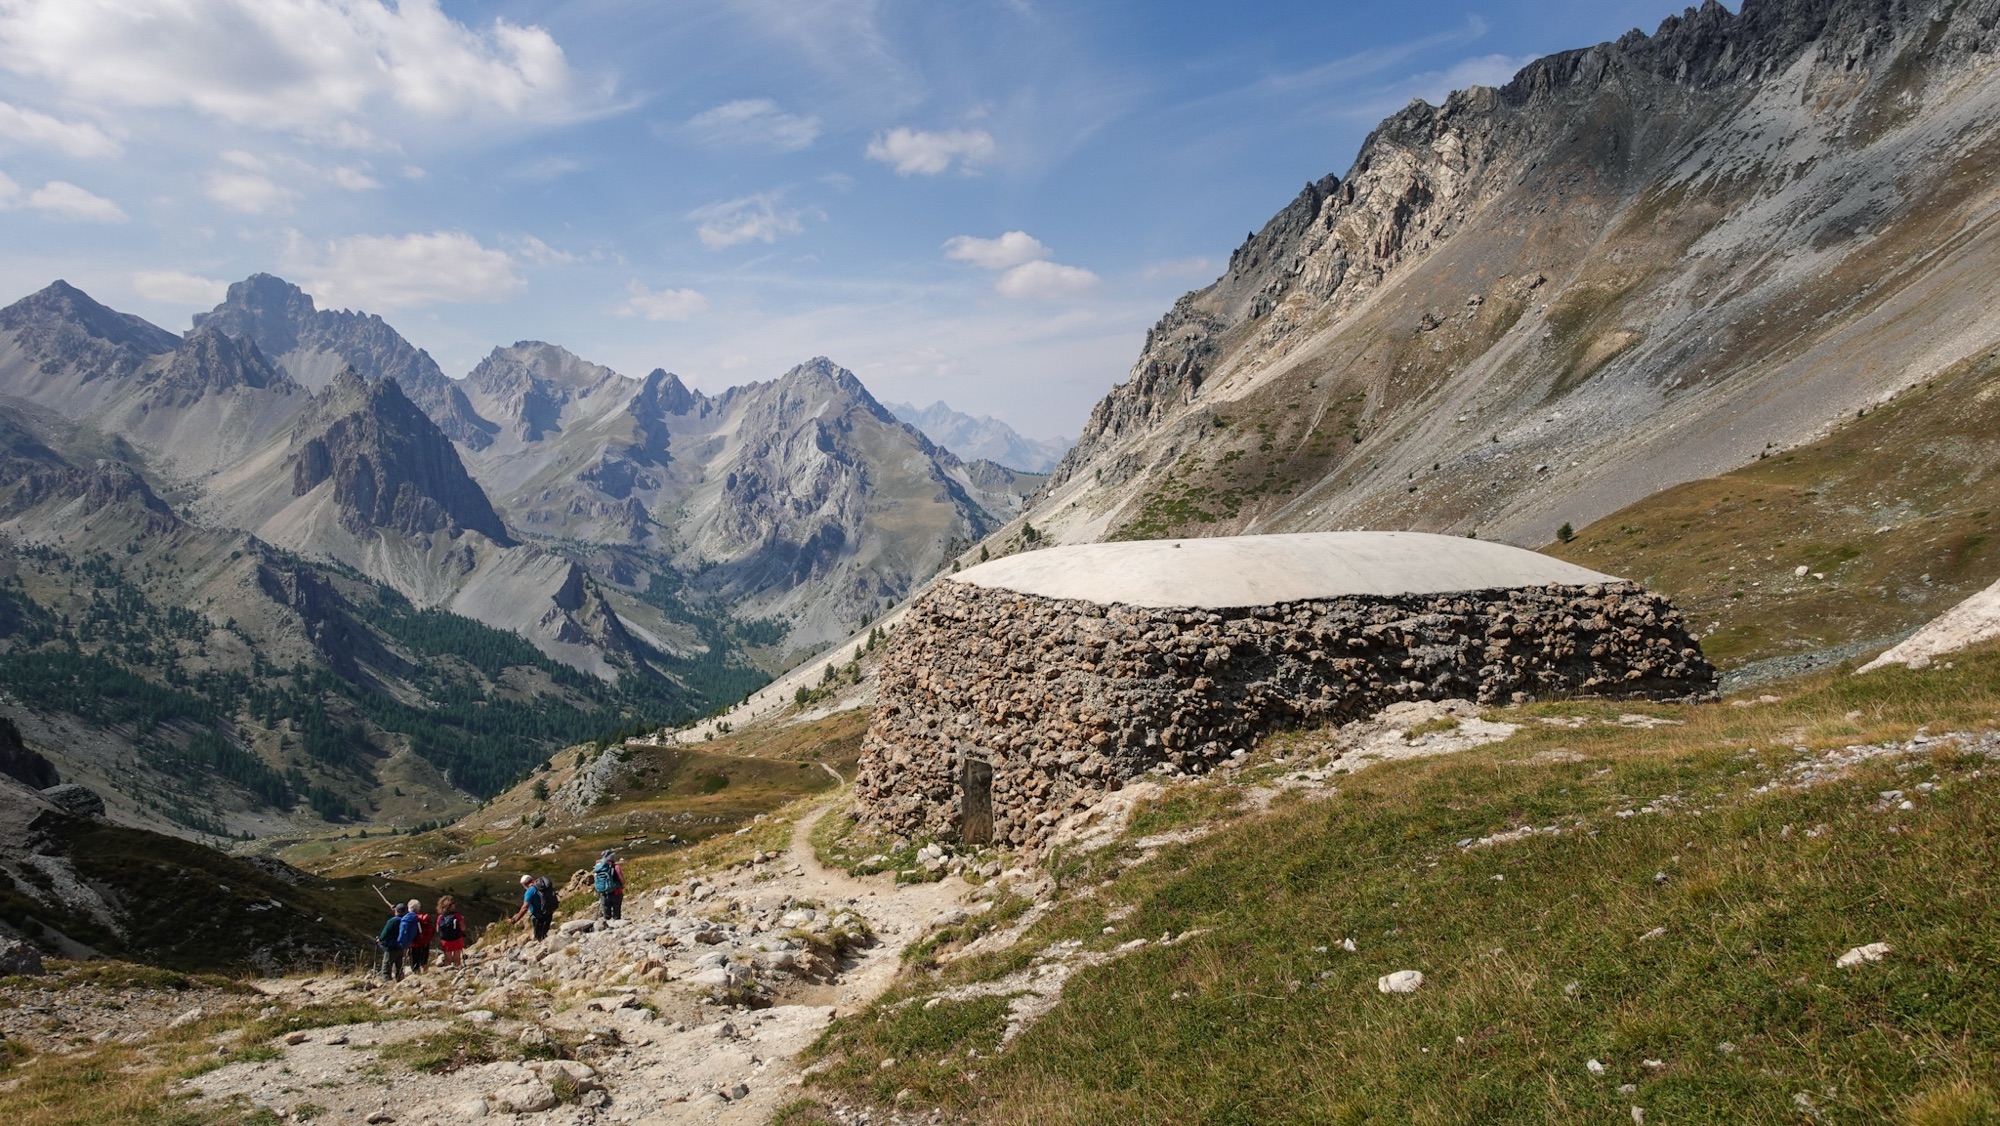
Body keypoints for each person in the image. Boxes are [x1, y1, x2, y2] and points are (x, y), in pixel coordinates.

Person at [508, 873, 553, 940]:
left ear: (524, 884)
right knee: (545, 932)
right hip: (549, 912)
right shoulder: (541, 886)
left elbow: (524, 908)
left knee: (540, 937)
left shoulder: (530, 891)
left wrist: (514, 920)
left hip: (539, 917)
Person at [376, 902, 407, 981]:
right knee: (399, 966)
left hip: (391, 947)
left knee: (387, 965)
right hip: (401, 946)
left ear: (396, 911)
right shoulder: (405, 920)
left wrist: (380, 940)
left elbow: (385, 933)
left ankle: (387, 981)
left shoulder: (392, 921)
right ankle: (400, 980)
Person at [592, 849, 625, 921]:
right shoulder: (616, 867)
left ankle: (607, 926)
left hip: (603, 894)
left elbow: (595, 879)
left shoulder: (598, 868)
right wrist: (622, 885)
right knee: (616, 914)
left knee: (606, 915)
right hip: (616, 893)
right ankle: (617, 925)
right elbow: (622, 880)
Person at [435, 895, 467, 969]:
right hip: (457, 939)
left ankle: (448, 971)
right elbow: (463, 928)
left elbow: (437, 929)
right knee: (457, 959)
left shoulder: (440, 917)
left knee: (448, 959)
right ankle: (458, 971)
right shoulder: (457, 916)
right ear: (450, 906)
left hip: (445, 941)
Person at [406, 898, 434, 973]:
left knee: (414, 962)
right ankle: (425, 973)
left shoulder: (408, 919)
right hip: (425, 942)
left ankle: (416, 974)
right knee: (424, 961)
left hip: (413, 943)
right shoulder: (424, 918)